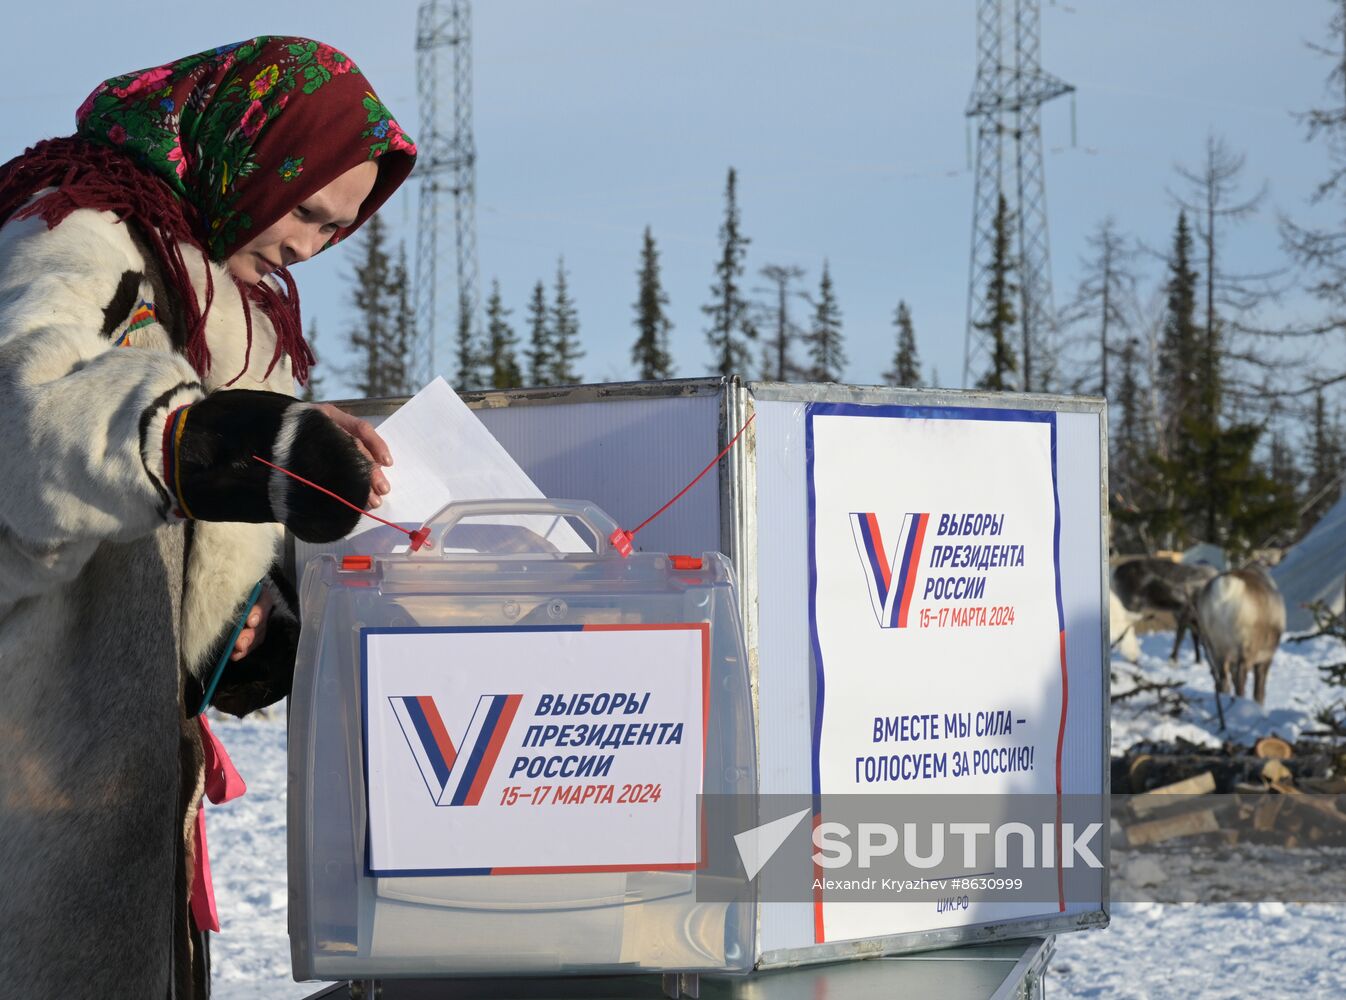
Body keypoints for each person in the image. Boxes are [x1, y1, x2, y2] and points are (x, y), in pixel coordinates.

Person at [0, 37, 415, 997]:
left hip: (112, 799)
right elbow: (28, 420)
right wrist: (211, 440)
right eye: (308, 208)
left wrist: (245, 627)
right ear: (253, 155)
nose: (312, 244)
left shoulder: (228, 311)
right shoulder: (71, 235)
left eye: (338, 229)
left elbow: (171, 540)